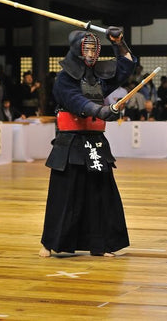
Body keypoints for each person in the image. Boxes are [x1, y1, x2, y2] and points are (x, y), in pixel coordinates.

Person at [39, 26, 136, 258]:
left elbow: (126, 65)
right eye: (87, 49)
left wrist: (118, 42)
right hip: (70, 142)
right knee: (64, 195)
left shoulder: (99, 77)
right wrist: (102, 110)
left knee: (100, 193)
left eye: (95, 48)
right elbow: (76, 102)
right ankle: (51, 243)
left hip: (95, 141)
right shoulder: (63, 78)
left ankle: (101, 244)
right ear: (77, 51)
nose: (92, 54)